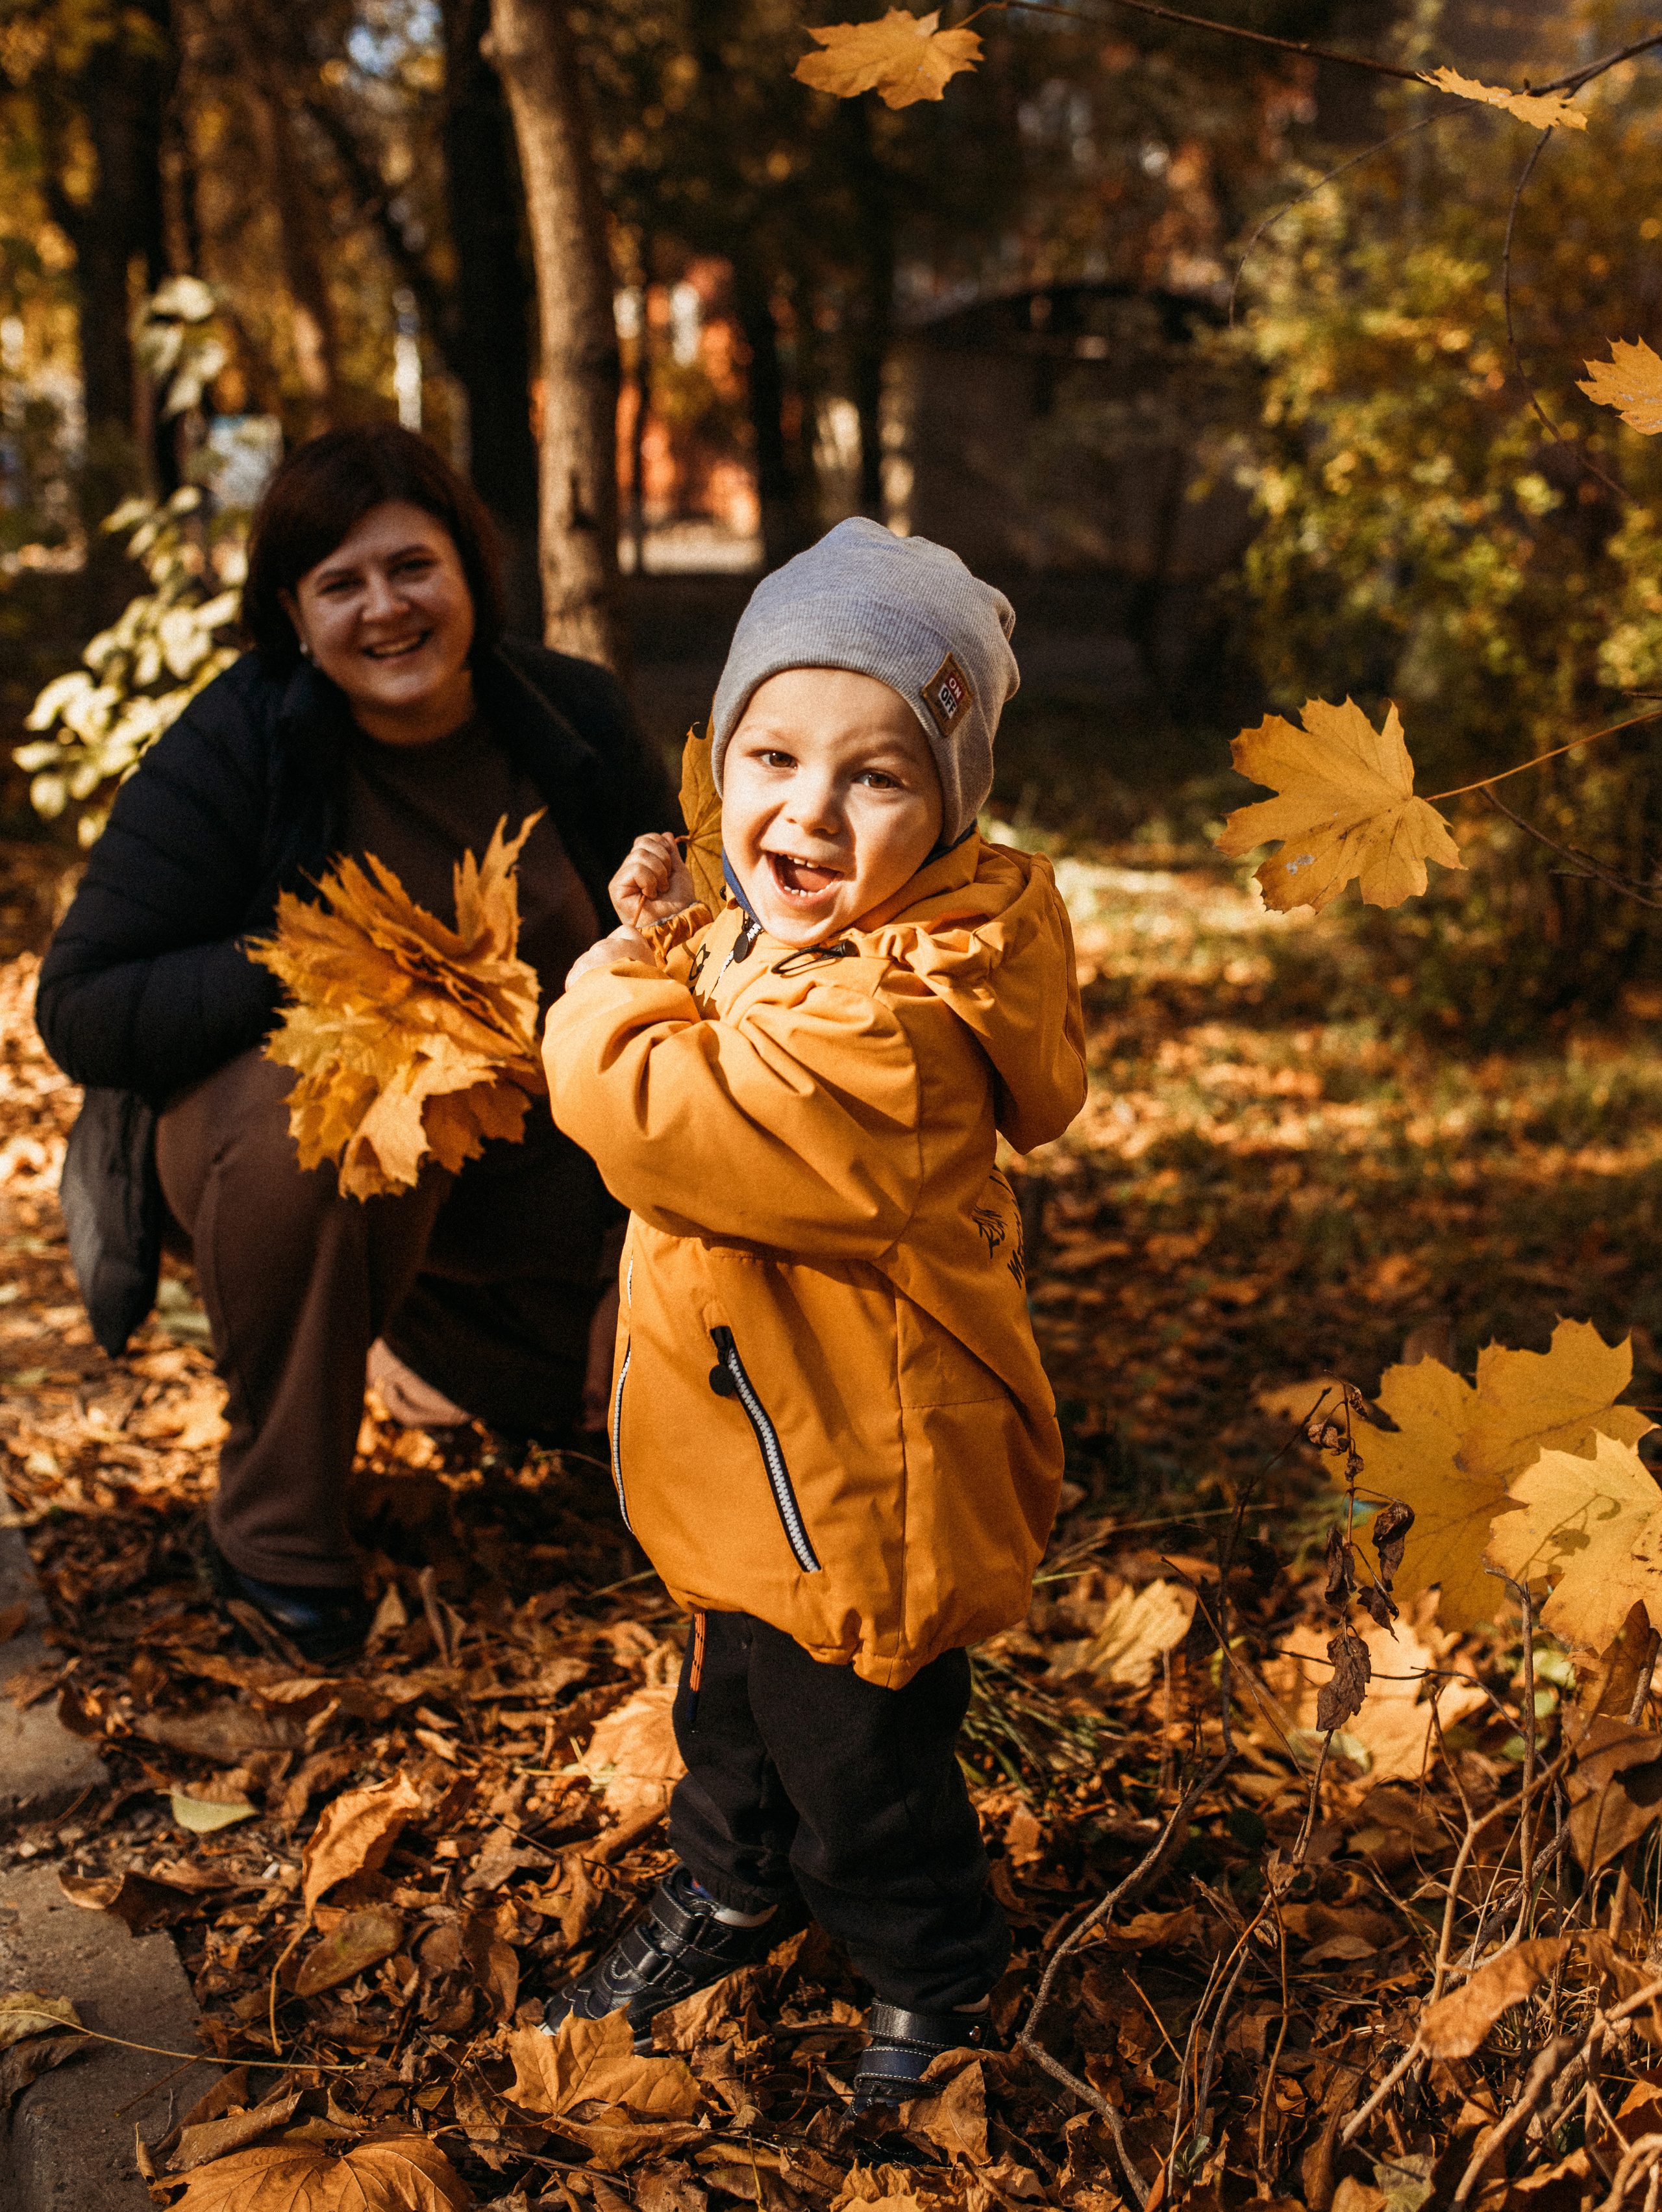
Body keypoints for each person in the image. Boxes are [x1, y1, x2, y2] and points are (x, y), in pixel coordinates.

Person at [538, 518, 1087, 2106]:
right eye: (773, 753)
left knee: (861, 1771)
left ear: (950, 806)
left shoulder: (905, 1025)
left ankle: (930, 1975)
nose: (808, 810)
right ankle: (730, 1882)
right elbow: (720, 983)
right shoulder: (789, 935)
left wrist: (609, 975)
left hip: (860, 1496)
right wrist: (676, 931)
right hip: (757, 1461)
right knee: (729, 1716)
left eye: (877, 776)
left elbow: (648, 1107)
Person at [36, 425, 676, 1662]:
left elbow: (696, 977)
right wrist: (322, 965)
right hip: (274, 1146)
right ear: (293, 612)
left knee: (637, 1397)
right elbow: (84, 1003)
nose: (385, 609)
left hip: (537, 1161)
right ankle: (274, 1527)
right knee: (331, 1109)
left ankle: (417, 1348)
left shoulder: (570, 718)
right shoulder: (238, 740)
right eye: (340, 584)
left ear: (470, 576)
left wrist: (638, 1265)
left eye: (411, 568)